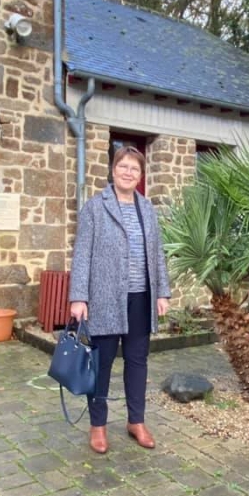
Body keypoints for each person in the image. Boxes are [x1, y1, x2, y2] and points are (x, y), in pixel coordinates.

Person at [69, 145, 170, 454]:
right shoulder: (95, 207)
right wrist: (78, 297)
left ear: (140, 176)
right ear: (113, 170)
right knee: (101, 364)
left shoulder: (147, 209)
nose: (128, 172)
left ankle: (135, 421)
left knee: (138, 362)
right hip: (104, 298)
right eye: (123, 166)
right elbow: (82, 255)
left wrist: (163, 291)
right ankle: (98, 426)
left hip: (141, 297)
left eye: (134, 169)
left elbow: (157, 254)